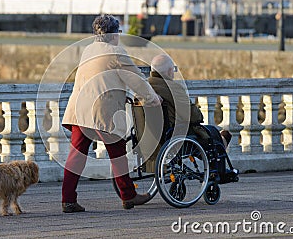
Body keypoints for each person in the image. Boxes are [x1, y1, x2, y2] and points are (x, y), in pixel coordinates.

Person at [61, 14, 162, 213]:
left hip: (80, 109)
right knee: (118, 153)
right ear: (113, 34)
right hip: (101, 111)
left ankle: (68, 200)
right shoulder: (116, 52)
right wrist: (153, 99)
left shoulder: (88, 50)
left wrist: (119, 94)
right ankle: (128, 195)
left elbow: (101, 78)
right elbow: (137, 80)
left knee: (76, 156)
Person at [148, 54, 232, 152]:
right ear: (170, 71)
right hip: (173, 137)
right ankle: (222, 149)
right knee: (213, 132)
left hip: (150, 138)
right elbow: (194, 116)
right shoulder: (173, 88)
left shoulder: (145, 89)